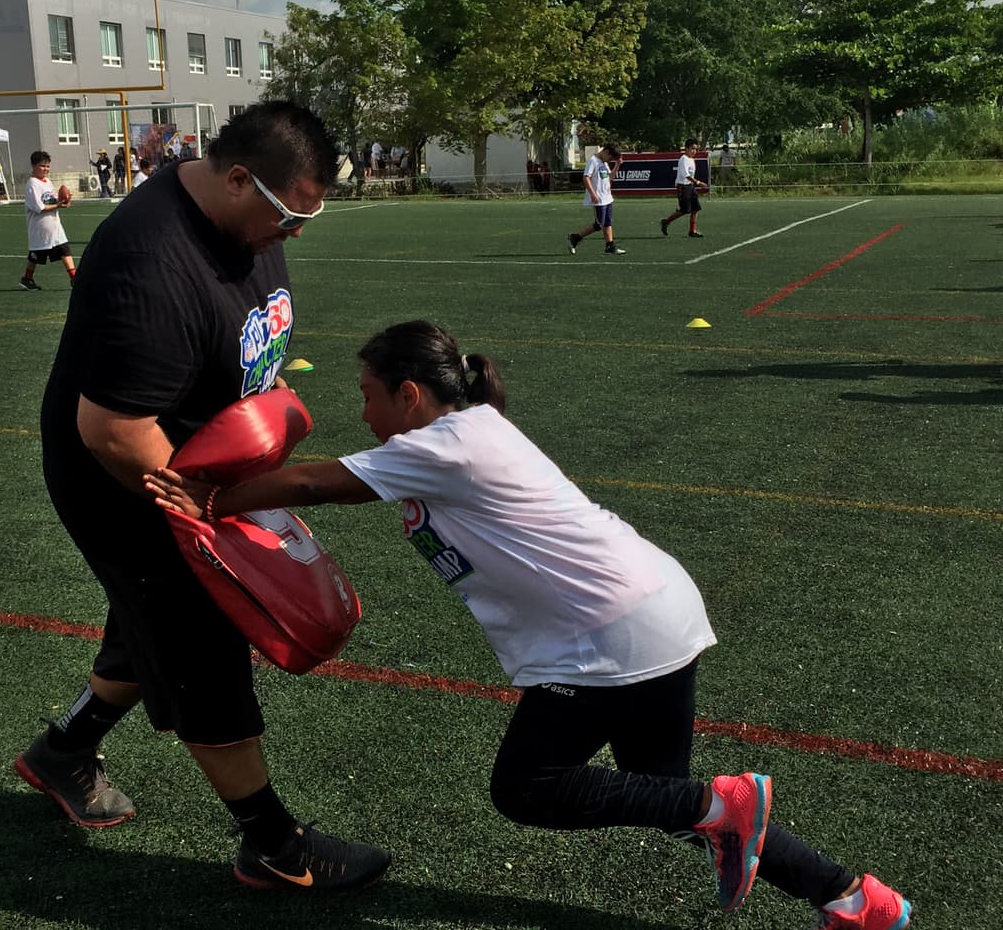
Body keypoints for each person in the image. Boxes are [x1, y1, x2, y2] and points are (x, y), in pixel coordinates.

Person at [144, 319, 914, 930]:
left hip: (607, 636)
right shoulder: (470, 427)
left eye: (368, 393)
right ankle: (852, 900)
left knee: (529, 789)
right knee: (676, 800)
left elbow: (313, 481)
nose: (363, 410)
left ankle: (740, 813)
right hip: (657, 612)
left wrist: (208, 502)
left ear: (409, 394)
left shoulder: (441, 443)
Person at [15, 100, 390, 892]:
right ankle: (273, 845)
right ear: (238, 177)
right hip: (128, 478)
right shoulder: (150, 259)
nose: (293, 234)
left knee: (148, 625)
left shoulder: (242, 220)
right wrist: (207, 520)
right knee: (204, 648)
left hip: (199, 460)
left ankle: (63, 753)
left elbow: (249, 338)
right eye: (289, 216)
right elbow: (114, 431)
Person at [18, 151, 76, 291]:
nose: (46, 169)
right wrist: (57, 205)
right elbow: (39, 207)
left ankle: (74, 279)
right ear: (33, 166)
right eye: (42, 166)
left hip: (54, 224)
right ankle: (27, 278)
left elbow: (53, 199)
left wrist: (64, 200)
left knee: (64, 250)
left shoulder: (48, 181)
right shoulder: (32, 184)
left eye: (48, 166)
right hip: (40, 226)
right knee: (36, 254)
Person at [569, 143, 625, 255]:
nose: (609, 160)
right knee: (599, 224)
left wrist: (617, 165)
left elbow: (610, 178)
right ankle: (575, 237)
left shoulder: (604, 163)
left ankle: (610, 246)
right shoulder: (593, 161)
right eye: (610, 158)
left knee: (608, 222)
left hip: (607, 197)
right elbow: (586, 177)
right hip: (598, 199)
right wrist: (593, 194)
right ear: (606, 152)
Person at [661, 138, 706, 238]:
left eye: (696, 149)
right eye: (692, 148)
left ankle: (692, 231)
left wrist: (694, 184)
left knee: (696, 208)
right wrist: (698, 182)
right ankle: (666, 221)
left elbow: (691, 175)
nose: (694, 151)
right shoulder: (683, 159)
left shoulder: (692, 159)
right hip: (683, 187)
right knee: (684, 210)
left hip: (690, 186)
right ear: (686, 148)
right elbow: (686, 175)